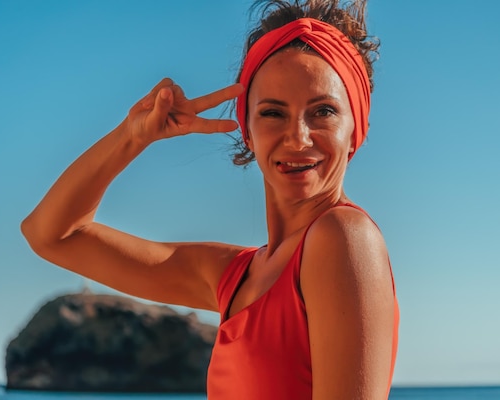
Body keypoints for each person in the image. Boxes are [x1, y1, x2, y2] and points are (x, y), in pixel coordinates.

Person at [21, 0, 399, 398]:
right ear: (247, 130)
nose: (298, 138)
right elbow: (50, 235)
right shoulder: (233, 277)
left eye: (323, 111)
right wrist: (132, 137)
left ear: (357, 129)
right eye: (273, 113)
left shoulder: (344, 237)